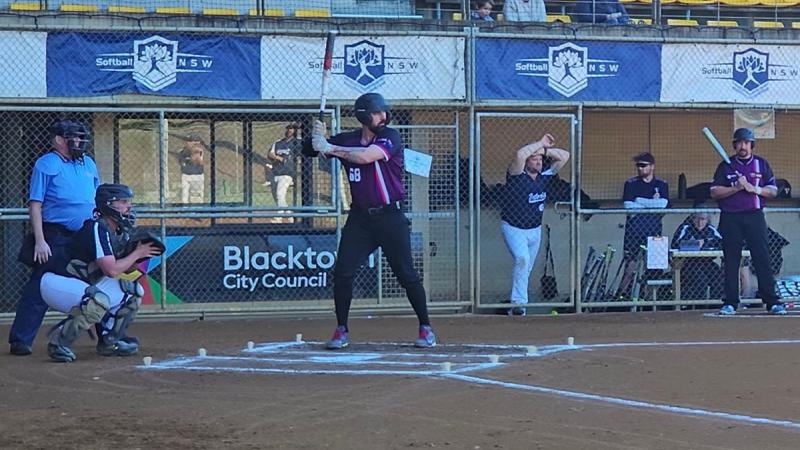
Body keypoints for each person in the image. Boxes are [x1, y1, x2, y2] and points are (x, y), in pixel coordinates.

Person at [307, 92, 436, 350]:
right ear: (364, 115)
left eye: (384, 112)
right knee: (343, 271)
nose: (383, 117)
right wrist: (315, 138)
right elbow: (309, 151)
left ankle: (425, 327)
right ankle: (341, 328)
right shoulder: (348, 139)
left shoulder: (390, 136)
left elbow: (365, 156)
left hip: (391, 217)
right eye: (378, 113)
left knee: (406, 274)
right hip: (360, 220)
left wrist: (330, 148)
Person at [41, 184, 163, 362]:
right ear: (108, 205)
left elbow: (125, 269)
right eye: (123, 202)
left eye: (129, 202)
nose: (129, 206)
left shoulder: (120, 231)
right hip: (56, 282)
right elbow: (111, 270)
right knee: (97, 301)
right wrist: (138, 253)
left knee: (133, 291)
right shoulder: (97, 228)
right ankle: (59, 343)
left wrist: (139, 256)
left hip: (85, 283)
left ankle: (109, 342)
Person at [8, 120, 100, 356]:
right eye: (74, 137)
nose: (80, 142)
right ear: (59, 140)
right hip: (55, 234)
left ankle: (108, 337)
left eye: (81, 137)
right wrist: (40, 240)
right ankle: (21, 339)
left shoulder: (88, 163)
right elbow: (36, 205)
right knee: (41, 282)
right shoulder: (47, 164)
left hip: (84, 233)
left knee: (96, 280)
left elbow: (96, 198)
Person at [710, 128, 786, 315]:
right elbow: (714, 192)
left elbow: (773, 190)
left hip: (754, 215)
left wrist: (755, 189)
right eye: (739, 143)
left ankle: (772, 301)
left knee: (762, 258)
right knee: (731, 260)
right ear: (735, 145)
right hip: (731, 217)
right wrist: (736, 188)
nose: (743, 146)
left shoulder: (761, 164)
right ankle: (730, 302)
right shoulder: (725, 166)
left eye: (746, 143)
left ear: (751, 145)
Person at [500, 134, 570, 316]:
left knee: (526, 267)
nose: (538, 162)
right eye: (534, 159)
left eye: (540, 159)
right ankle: (519, 305)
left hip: (535, 230)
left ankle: (517, 304)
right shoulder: (516, 174)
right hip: (514, 228)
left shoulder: (544, 176)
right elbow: (519, 155)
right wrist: (539, 143)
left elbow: (565, 156)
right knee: (522, 259)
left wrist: (545, 150)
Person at [616, 152, 669, 298]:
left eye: (643, 165)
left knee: (652, 267)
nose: (640, 168)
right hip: (634, 231)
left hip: (654, 230)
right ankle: (622, 297)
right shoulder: (631, 184)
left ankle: (646, 298)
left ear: (652, 167)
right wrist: (651, 204)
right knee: (630, 266)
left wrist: (639, 200)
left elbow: (663, 205)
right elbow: (628, 206)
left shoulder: (661, 184)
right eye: (638, 166)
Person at [670, 212, 723, 300]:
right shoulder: (686, 228)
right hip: (688, 263)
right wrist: (695, 244)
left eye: (703, 219)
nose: (699, 222)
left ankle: (714, 304)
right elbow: (675, 244)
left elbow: (720, 243)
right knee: (701, 280)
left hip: (706, 262)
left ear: (707, 220)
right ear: (692, 219)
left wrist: (705, 242)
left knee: (718, 275)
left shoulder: (711, 229)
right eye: (697, 219)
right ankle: (697, 305)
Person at [267, 123, 302, 211]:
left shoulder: (297, 142)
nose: (289, 130)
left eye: (292, 129)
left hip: (287, 173)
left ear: (295, 131)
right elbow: (270, 154)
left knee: (280, 195)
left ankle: (278, 218)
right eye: (288, 128)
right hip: (276, 172)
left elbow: (300, 156)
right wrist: (278, 158)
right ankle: (289, 215)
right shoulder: (278, 142)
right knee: (278, 197)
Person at [179, 134, 205, 204]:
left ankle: (198, 212)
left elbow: (199, 162)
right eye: (188, 141)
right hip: (186, 175)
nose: (189, 143)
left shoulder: (199, 151)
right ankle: (186, 211)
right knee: (185, 197)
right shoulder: (182, 151)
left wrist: (196, 153)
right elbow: (181, 162)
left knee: (197, 198)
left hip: (197, 175)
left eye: (191, 141)